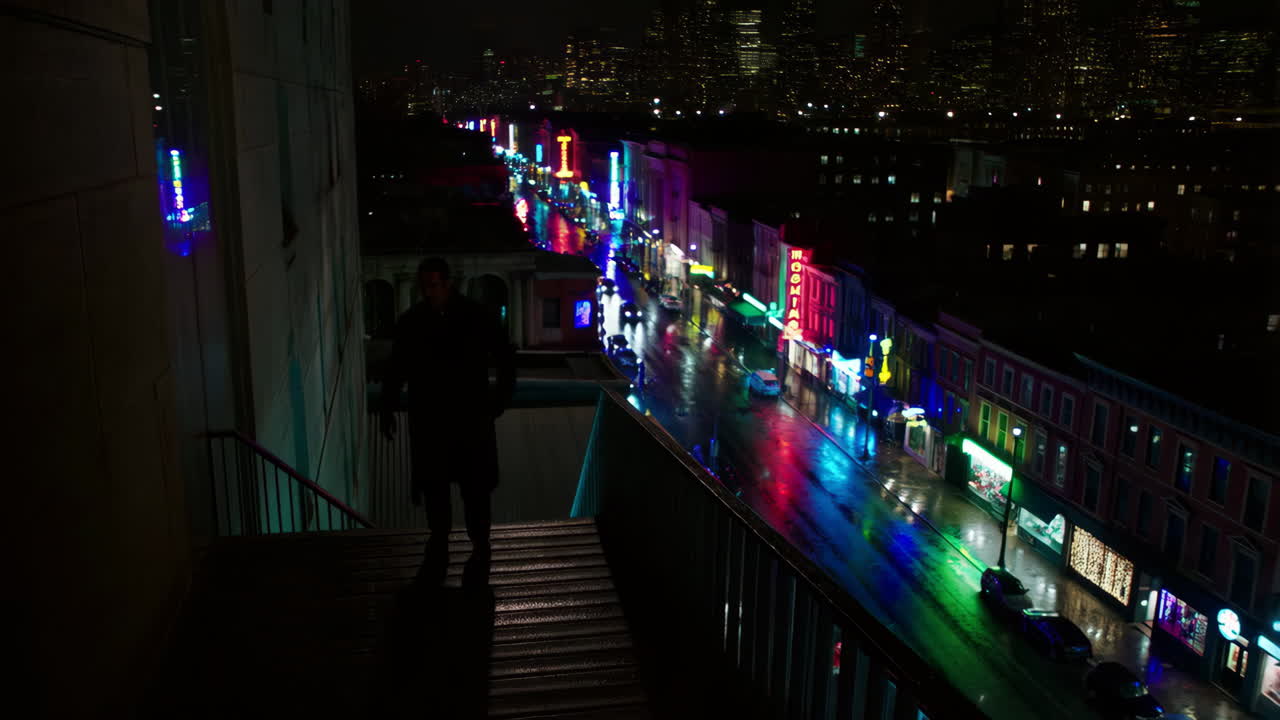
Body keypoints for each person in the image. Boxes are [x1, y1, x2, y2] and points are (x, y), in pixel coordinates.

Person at [380, 257, 516, 577]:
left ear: (446, 283)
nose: (431, 292)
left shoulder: (418, 321)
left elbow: (396, 369)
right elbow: (397, 368)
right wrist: (499, 400)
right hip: (455, 420)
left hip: (448, 420)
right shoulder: (471, 316)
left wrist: (499, 399)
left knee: (462, 490)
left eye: (435, 285)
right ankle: (466, 548)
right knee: (451, 490)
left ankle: (461, 547)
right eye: (428, 286)